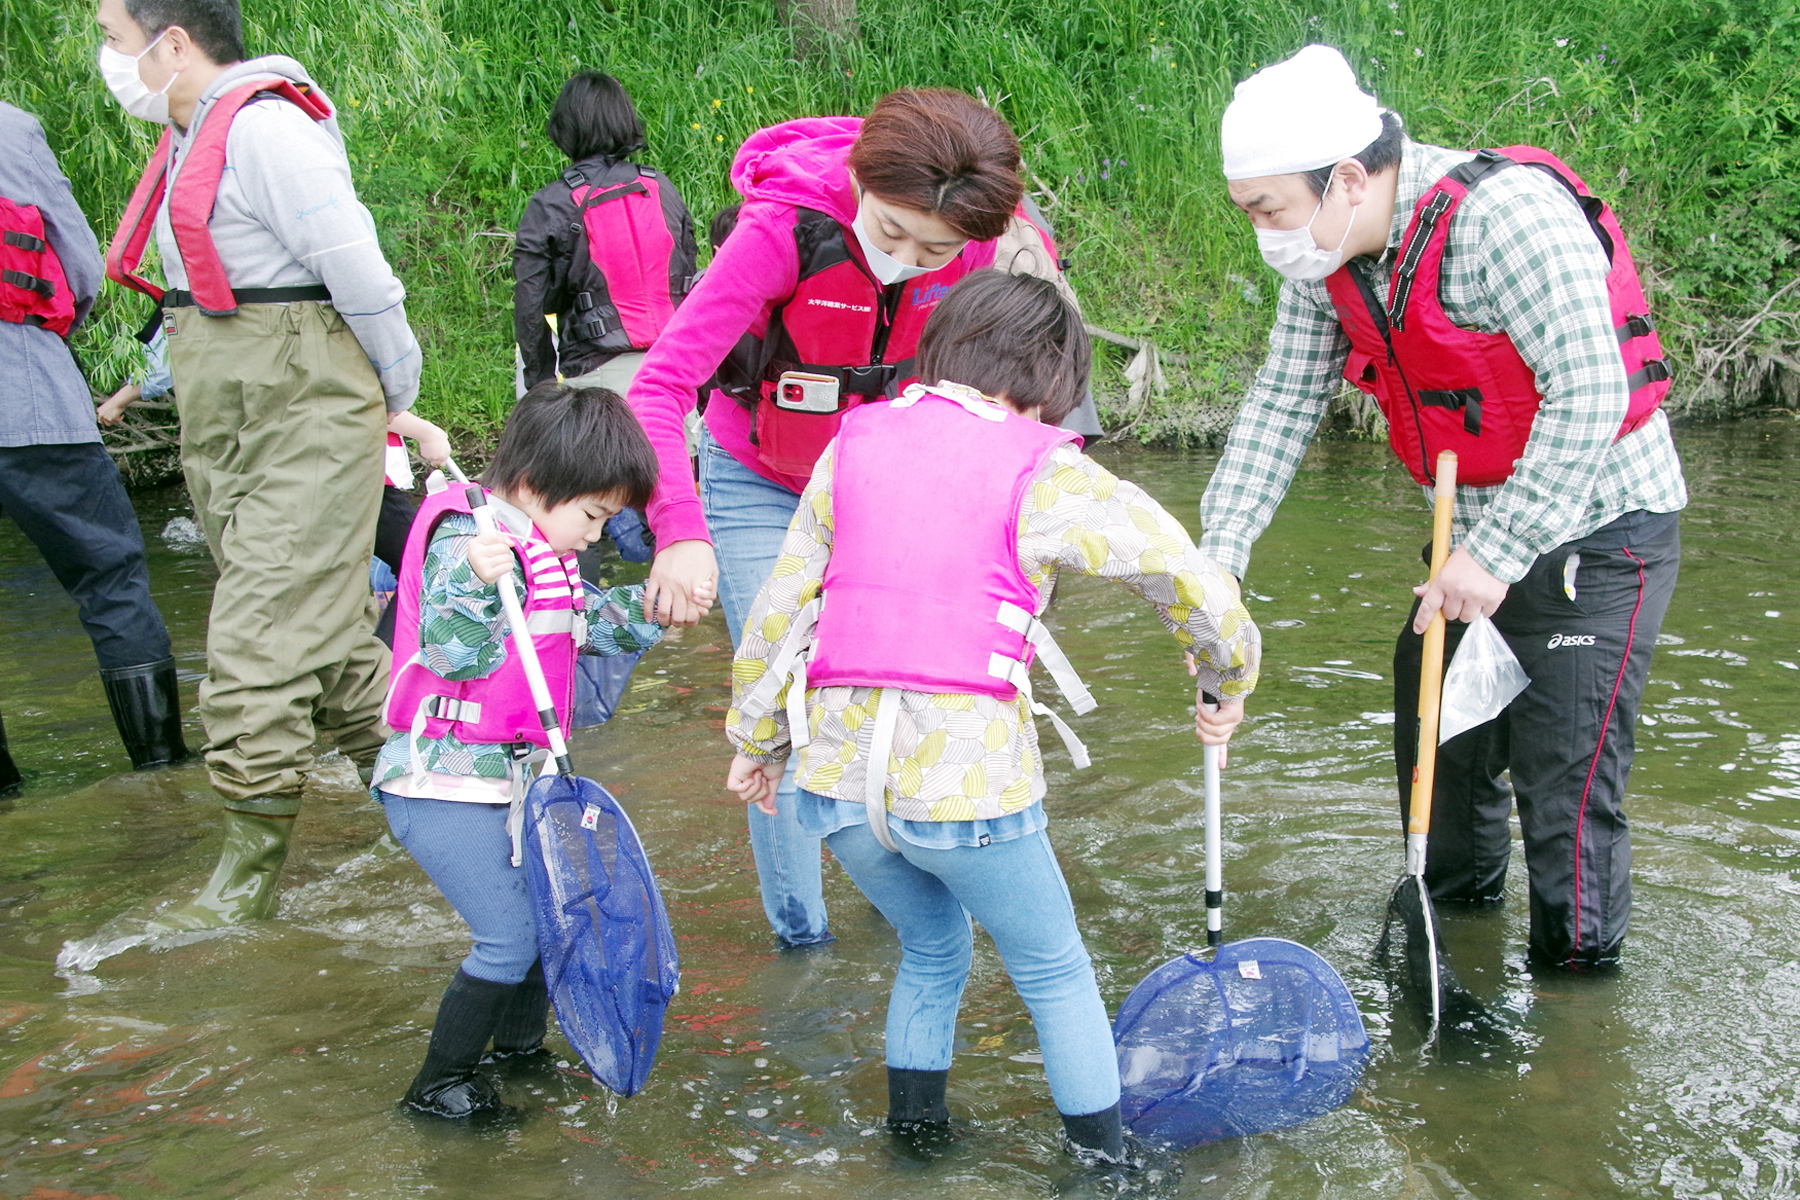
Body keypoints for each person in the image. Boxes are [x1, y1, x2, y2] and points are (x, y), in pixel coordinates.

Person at [724, 271, 1260, 1161]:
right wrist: (1224, 680)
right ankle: (1103, 1168)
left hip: (840, 780)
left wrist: (757, 741)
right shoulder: (1047, 467)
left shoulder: (852, 441)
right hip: (962, 781)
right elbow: (1191, 581)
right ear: (1050, 382)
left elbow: (781, 608)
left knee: (932, 949)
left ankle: (916, 1151)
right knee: (1053, 967)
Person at [1201, 45, 1687, 970]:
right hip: (1473, 539)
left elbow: (1591, 389)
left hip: (1602, 532)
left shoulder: (1505, 219)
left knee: (1564, 792)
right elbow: (1280, 405)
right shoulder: (1330, 254)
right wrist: (1218, 564)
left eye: (1268, 208)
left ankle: (1575, 1017)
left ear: (1347, 178)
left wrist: (1495, 553)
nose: (1264, 233)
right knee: (1442, 754)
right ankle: (1451, 955)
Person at [627, 87, 1077, 949]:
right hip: (761, 476)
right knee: (786, 706)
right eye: (890, 230)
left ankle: (903, 899)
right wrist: (678, 529)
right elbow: (660, 385)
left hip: (895, 486)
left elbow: (1043, 408)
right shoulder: (783, 227)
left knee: (900, 694)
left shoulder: (1003, 248)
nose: (905, 259)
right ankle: (804, 945)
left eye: (933, 248)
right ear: (859, 184)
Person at [96, 0, 424, 927]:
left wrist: (394, 399)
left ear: (173, 43)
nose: (107, 61)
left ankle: (242, 888)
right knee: (321, 638)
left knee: (254, 649)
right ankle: (441, 806)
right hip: (233, 416)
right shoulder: (193, 130)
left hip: (305, 412)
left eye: (114, 41)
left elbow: (360, 275)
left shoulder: (270, 130)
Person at [374, 383, 683, 1118]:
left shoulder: (545, 547)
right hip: (438, 783)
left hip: (511, 781)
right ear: (540, 486)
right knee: (509, 935)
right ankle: (437, 1085)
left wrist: (651, 611)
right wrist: (481, 585)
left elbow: (583, 625)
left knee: (549, 922)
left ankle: (518, 1054)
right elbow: (451, 651)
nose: (597, 534)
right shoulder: (468, 543)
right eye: (594, 515)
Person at [1, 99, 187, 774]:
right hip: (28, 395)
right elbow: (79, 263)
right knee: (109, 580)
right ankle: (162, 775)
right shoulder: (11, 127)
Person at [513, 71, 697, 399]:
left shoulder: (551, 204)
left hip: (596, 380)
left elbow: (531, 309)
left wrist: (540, 387)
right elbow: (690, 282)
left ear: (565, 128)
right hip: (672, 374)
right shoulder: (662, 188)